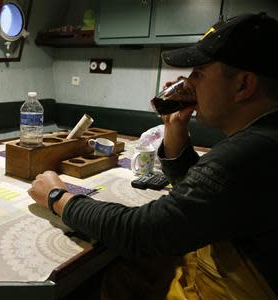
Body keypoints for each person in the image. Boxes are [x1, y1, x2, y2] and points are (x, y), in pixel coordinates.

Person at [29, 12, 278, 300]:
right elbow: (203, 201)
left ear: (243, 85)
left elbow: (142, 232)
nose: (188, 83)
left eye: (199, 74)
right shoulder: (261, 137)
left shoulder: (250, 153)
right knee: (124, 275)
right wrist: (175, 131)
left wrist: (58, 197)